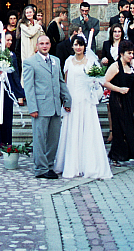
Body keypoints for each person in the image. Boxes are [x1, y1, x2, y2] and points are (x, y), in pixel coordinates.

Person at [54, 35, 112, 179]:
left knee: (88, 130)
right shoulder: (68, 61)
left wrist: (94, 83)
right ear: (72, 46)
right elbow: (65, 82)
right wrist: (65, 100)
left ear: (84, 46)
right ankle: (71, 164)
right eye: (75, 44)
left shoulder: (91, 62)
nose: (78, 47)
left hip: (86, 100)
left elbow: (98, 81)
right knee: (71, 129)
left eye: (80, 44)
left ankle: (89, 165)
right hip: (73, 99)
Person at [23, 35, 72, 179]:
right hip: (40, 106)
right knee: (40, 138)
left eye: (47, 43)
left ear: (50, 45)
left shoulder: (56, 61)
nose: (44, 46)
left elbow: (61, 82)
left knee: (53, 139)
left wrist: (67, 100)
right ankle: (40, 168)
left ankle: (49, 165)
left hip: (55, 106)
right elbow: (29, 86)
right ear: (37, 46)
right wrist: (32, 107)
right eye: (42, 44)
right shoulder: (30, 62)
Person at [104, 40, 134, 168]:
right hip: (117, 101)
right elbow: (105, 81)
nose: (131, 56)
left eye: (132, 53)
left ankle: (115, 155)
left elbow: (133, 85)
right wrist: (119, 89)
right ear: (121, 53)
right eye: (129, 53)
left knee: (125, 129)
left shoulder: (131, 67)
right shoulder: (115, 66)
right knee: (125, 129)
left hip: (128, 102)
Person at [0, 33, 24, 156]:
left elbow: (15, 75)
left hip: (8, 89)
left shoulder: (12, 56)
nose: (9, 42)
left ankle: (7, 142)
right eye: (7, 40)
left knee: (8, 116)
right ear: (1, 41)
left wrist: (20, 94)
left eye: (11, 40)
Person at [100, 23, 125, 143]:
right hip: (110, 77)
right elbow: (104, 58)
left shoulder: (125, 44)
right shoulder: (106, 44)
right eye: (115, 31)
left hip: (122, 77)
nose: (117, 34)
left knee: (121, 106)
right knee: (110, 106)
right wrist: (103, 60)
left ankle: (122, 132)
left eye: (119, 31)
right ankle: (111, 132)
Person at [18, 5, 44, 85]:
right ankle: (24, 91)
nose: (28, 14)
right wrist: (37, 26)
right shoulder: (23, 24)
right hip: (27, 51)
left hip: (36, 50)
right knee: (28, 70)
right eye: (26, 13)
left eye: (30, 12)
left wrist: (39, 47)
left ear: (33, 13)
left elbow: (42, 34)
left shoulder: (36, 23)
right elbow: (31, 33)